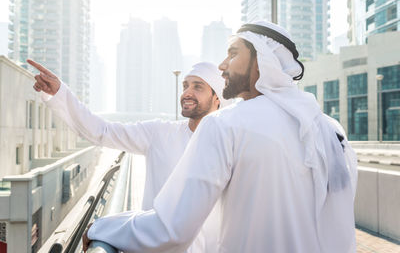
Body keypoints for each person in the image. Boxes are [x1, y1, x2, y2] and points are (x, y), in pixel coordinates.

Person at [82, 21, 358, 253]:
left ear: (263, 61)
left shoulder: (225, 124)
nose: (222, 65)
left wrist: (102, 227)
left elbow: (172, 229)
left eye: (233, 54)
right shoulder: (331, 130)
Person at [28, 60, 230, 253]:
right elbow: (102, 131)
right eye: (185, 85)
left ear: (217, 97)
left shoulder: (228, 145)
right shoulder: (160, 133)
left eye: (198, 87)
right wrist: (60, 93)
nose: (187, 93)